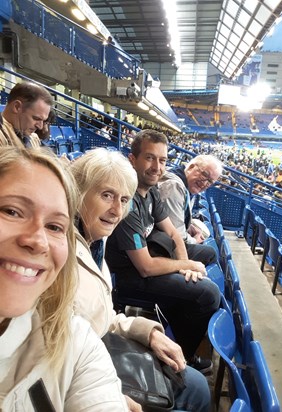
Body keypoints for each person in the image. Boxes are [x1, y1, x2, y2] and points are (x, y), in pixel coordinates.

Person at [70, 148, 211, 412]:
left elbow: (98, 316)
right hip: (84, 372)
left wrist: (147, 333)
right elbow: (59, 351)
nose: (116, 210)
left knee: (195, 384)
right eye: (106, 195)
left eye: (124, 200)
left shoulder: (95, 241)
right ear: (78, 191)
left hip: (101, 346)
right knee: (194, 389)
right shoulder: (58, 254)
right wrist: (108, 394)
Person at [0, 147, 128, 411]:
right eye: (11, 211)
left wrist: (140, 328)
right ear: (81, 195)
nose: (37, 241)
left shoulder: (75, 340)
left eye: (55, 226)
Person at [105, 129, 221, 370]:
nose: (157, 166)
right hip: (129, 276)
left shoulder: (151, 191)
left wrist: (185, 267)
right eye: (149, 158)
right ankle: (182, 361)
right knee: (207, 294)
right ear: (132, 159)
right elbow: (145, 267)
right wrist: (185, 265)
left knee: (198, 283)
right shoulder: (128, 202)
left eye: (162, 160)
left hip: (149, 259)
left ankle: (178, 344)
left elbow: (174, 234)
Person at [158, 154, 222, 250]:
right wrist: (195, 241)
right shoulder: (174, 187)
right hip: (159, 247)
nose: (204, 183)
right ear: (191, 167)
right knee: (209, 253)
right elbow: (175, 235)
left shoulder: (187, 186)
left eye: (210, 182)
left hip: (166, 242)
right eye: (204, 175)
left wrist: (188, 226)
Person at [0, 81, 53, 148]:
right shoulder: (1, 136)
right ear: (17, 107)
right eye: (36, 118)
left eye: (43, 120)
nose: (40, 126)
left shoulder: (33, 138)